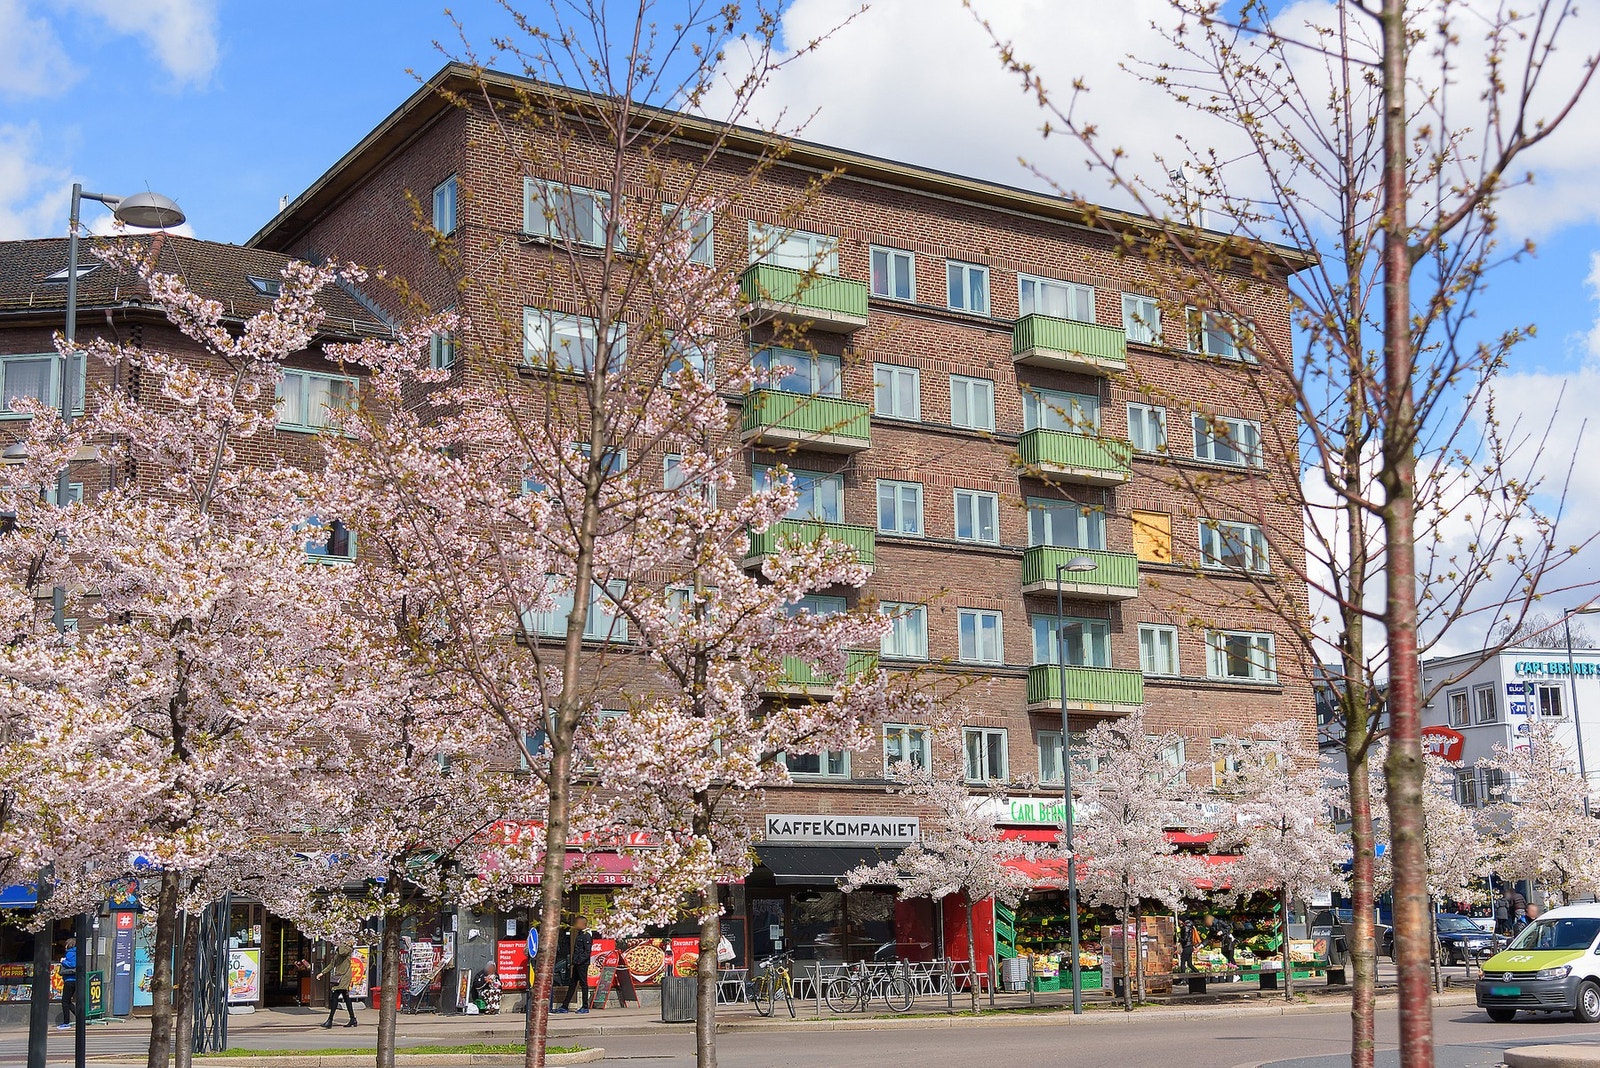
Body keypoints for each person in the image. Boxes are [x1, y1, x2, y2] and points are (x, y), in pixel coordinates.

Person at [551, 916, 594, 1015]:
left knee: (584, 984)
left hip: (582, 964)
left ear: (583, 924)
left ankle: (585, 1006)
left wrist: (579, 961)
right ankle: (565, 1006)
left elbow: (587, 952)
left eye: (578, 923)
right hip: (577, 964)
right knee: (572, 984)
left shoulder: (586, 935)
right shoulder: (580, 934)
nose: (576, 925)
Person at [318, 945, 359, 1029]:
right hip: (339, 976)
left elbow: (342, 952)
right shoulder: (338, 950)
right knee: (346, 997)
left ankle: (330, 1020)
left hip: (345, 976)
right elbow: (332, 964)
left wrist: (341, 942)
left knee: (335, 996)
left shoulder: (347, 949)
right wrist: (322, 973)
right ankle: (353, 1019)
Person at [56, 937, 77, 1030]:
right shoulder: (76, 952)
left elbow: (72, 964)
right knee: (68, 1001)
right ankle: (81, 1017)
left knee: (65, 1001)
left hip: (70, 979)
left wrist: (63, 961)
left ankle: (66, 1022)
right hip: (74, 980)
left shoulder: (70, 953)